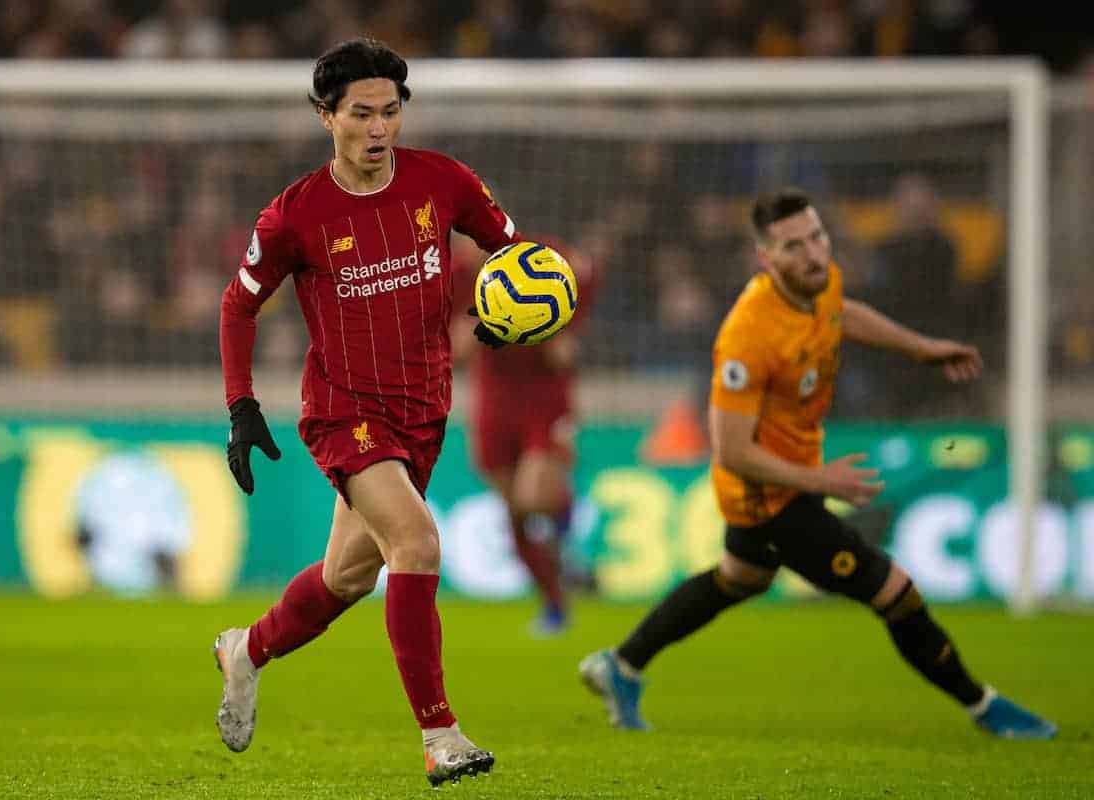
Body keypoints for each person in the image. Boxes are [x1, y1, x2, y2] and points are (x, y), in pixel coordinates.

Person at [578, 187, 1056, 740]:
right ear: (766, 259)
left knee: (740, 578)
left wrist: (922, 348)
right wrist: (819, 480)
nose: (813, 253)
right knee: (894, 592)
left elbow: (843, 314)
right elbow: (730, 449)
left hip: (794, 473)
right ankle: (985, 706)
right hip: (768, 495)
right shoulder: (748, 336)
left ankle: (622, 664)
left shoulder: (819, 282)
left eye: (817, 237)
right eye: (793, 246)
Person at [213, 38, 521, 786]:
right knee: (415, 542)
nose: (379, 128)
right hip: (344, 412)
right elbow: (239, 304)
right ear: (327, 117)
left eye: (390, 111)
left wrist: (514, 306)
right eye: (361, 114)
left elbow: (518, 254)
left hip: (424, 410)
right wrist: (241, 406)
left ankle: (245, 650)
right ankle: (441, 735)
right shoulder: (296, 214)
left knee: (348, 578)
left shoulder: (443, 181)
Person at [450, 233, 594, 636]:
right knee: (514, 512)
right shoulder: (453, 275)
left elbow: (588, 273)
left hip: (544, 398)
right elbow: (450, 346)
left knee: (533, 498)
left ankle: (565, 520)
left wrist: (569, 328)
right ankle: (555, 603)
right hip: (494, 403)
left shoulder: (538, 256)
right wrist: (462, 337)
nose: (470, 246)